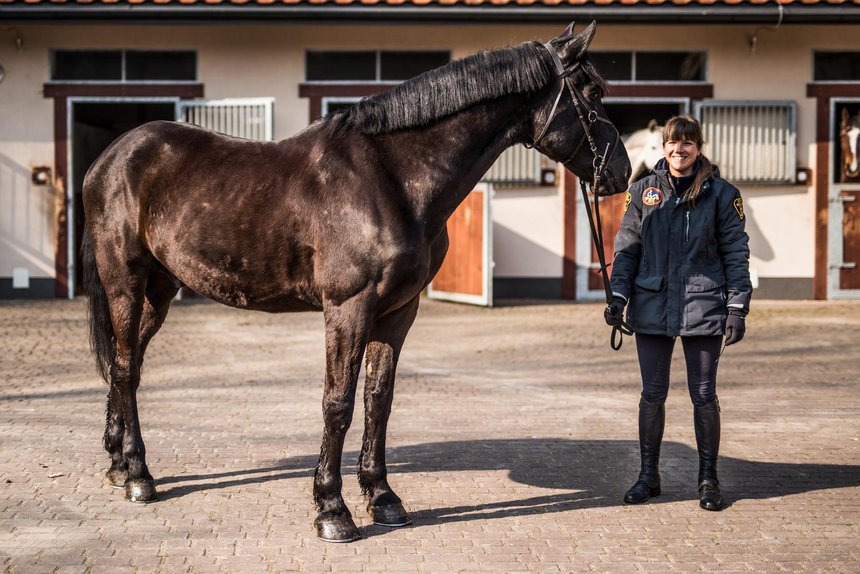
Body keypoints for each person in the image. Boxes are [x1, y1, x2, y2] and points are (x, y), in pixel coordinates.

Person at [604, 115, 752, 511]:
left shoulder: (722, 194)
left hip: (705, 303)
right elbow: (628, 248)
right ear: (663, 146)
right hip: (652, 303)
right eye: (672, 143)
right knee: (652, 394)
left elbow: (736, 253)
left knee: (703, 394)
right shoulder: (641, 192)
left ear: (698, 147)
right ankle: (648, 477)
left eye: (687, 143)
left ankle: (708, 478)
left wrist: (737, 306)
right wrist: (618, 295)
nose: (679, 150)